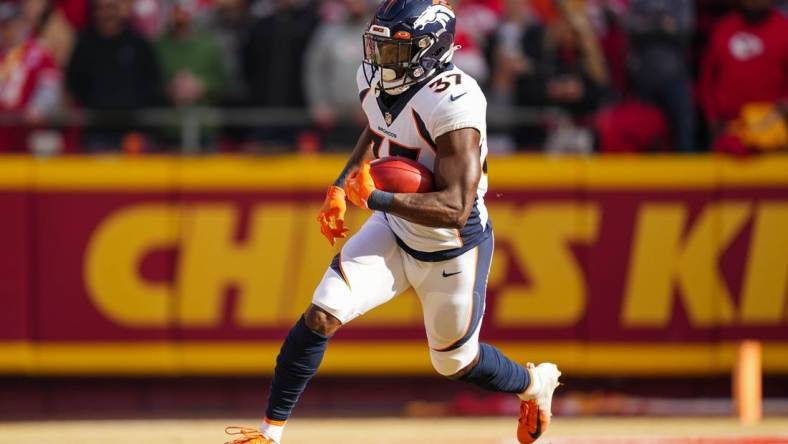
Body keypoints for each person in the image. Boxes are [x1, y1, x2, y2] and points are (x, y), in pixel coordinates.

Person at [224, 1, 561, 443]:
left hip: (451, 243)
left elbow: (456, 205)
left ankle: (536, 385)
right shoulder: (375, 78)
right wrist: (341, 186)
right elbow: (378, 124)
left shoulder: (455, 99)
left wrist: (376, 197)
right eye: (379, 48)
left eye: (397, 51)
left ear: (431, 50)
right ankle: (269, 434)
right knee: (321, 314)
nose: (383, 62)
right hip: (395, 229)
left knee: (455, 362)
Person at [66, 0, 163, 151]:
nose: (106, 13)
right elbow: (74, 82)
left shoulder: (137, 43)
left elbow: (152, 82)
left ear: (119, 10)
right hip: (96, 131)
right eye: (100, 8)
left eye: (110, 7)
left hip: (133, 131)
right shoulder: (84, 44)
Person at [699, 0, 788, 153]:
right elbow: (707, 80)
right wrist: (712, 119)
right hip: (730, 130)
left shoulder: (784, 29)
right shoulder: (723, 29)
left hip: (773, 132)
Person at [0, 0, 62, 153]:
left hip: (26, 136)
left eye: (10, 24)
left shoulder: (39, 52)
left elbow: (50, 87)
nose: (6, 30)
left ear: (21, 24)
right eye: (3, 25)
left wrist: (39, 108)